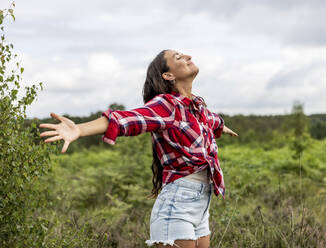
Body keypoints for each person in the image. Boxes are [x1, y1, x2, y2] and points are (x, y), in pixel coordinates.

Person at [40, 49, 238, 248]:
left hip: (201, 208)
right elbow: (128, 119)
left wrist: (221, 126)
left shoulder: (197, 108)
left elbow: (211, 119)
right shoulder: (167, 105)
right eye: (178, 57)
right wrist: (79, 130)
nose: (188, 57)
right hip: (177, 208)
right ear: (168, 75)